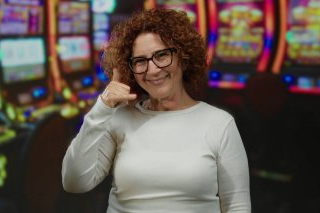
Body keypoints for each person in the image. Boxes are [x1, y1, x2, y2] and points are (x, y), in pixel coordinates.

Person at [62, 8, 251, 213]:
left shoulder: (219, 123)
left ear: (183, 58)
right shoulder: (118, 117)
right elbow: (75, 182)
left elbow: (237, 205)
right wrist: (102, 107)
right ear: (130, 69)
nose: (152, 70)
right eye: (140, 61)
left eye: (161, 56)